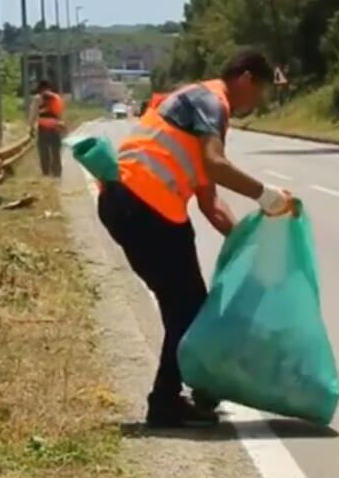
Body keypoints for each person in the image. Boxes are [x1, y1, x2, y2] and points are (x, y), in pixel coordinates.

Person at [97, 49, 296, 428]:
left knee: (187, 307)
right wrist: (267, 196)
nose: (257, 103)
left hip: (139, 207)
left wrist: (246, 241)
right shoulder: (211, 101)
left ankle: (182, 394)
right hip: (142, 206)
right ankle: (168, 402)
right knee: (186, 308)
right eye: (260, 92)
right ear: (246, 79)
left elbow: (210, 203)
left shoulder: (201, 107)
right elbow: (215, 165)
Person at [29, 79, 66, 177]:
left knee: (44, 151)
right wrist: (61, 125)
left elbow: (33, 113)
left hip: (43, 128)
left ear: (40, 88)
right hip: (55, 127)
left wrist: (31, 127)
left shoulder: (38, 98)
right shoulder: (56, 97)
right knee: (55, 151)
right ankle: (57, 172)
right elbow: (60, 113)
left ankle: (46, 172)